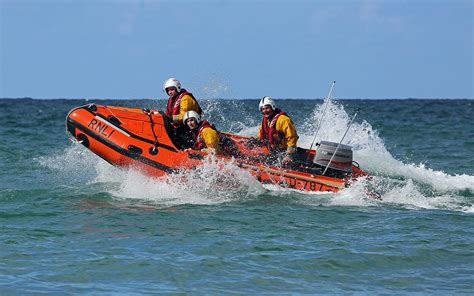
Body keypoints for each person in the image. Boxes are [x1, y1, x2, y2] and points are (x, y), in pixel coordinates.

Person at [257, 96, 298, 164]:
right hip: (275, 152)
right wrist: (254, 142)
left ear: (272, 107)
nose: (265, 111)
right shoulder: (265, 122)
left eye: (267, 108)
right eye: (263, 109)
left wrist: (289, 155)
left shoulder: (283, 120)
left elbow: (292, 137)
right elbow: (260, 137)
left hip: (287, 152)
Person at [163, 78, 202, 148]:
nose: (170, 92)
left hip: (188, 128)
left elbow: (183, 117)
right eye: (168, 90)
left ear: (177, 88)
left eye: (172, 89)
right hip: (179, 127)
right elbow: (167, 114)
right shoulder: (172, 99)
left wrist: (169, 118)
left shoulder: (185, 98)